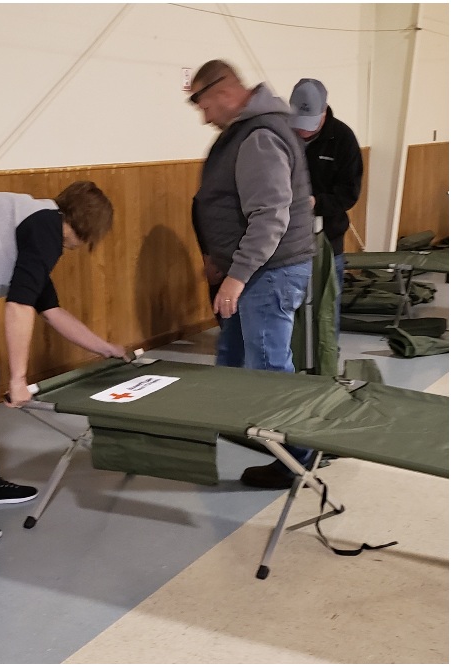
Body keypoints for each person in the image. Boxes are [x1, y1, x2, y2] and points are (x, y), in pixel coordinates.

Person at [0, 181, 128, 544]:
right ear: (83, 225)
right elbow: (19, 305)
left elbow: (51, 310)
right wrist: (20, 379)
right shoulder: (46, 227)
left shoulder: (36, 222)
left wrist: (105, 347)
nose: (74, 249)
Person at [187, 60, 316, 489]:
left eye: (202, 103)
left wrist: (236, 275)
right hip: (256, 268)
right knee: (234, 360)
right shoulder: (246, 132)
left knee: (268, 370)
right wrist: (220, 257)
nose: (204, 115)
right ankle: (262, 436)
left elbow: (270, 217)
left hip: (269, 272)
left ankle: (297, 459)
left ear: (222, 91)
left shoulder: (259, 135)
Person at [288, 78, 364, 333]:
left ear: (324, 111)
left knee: (327, 310)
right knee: (290, 312)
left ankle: (327, 364)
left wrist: (316, 203)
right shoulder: (282, 135)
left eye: (311, 125)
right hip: (287, 241)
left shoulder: (343, 139)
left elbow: (349, 193)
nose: (304, 132)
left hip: (329, 241)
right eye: (300, 125)